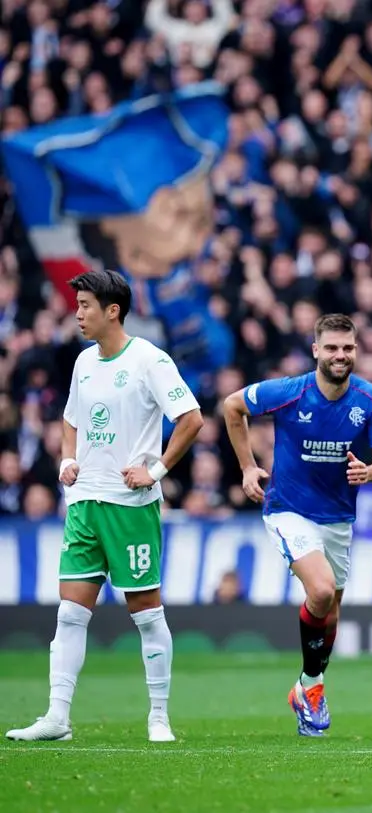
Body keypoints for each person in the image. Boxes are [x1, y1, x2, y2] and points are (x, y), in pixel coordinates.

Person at [6, 269, 204, 743]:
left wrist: (154, 471)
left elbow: (192, 419)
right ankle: (57, 717)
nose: (77, 314)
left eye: (85, 306)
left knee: (146, 614)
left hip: (129, 507)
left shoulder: (150, 361)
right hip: (84, 504)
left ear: (112, 311)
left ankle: (158, 716)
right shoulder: (83, 363)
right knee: (70, 614)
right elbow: (71, 419)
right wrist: (67, 460)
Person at [222, 313, 372, 737]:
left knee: (331, 614)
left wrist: (369, 473)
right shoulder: (288, 392)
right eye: (333, 348)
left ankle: (305, 687)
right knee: (319, 591)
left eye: (348, 348)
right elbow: (232, 406)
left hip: (338, 518)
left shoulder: (370, 399)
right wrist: (247, 467)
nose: (341, 355)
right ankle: (315, 687)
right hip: (288, 509)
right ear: (316, 350)